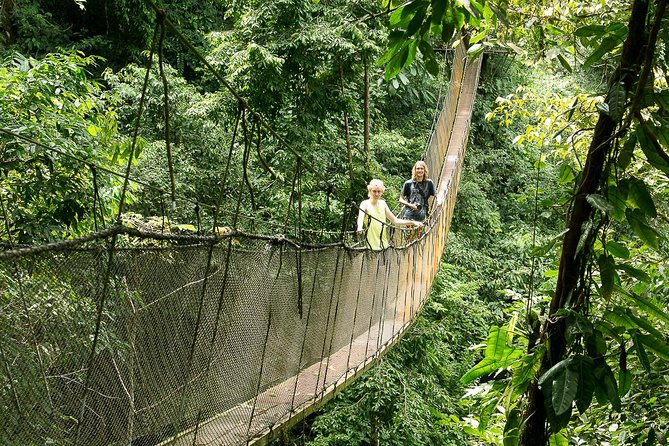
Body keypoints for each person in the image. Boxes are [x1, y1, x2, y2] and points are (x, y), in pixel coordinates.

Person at [357, 179, 421, 250]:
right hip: (370, 245)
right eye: (374, 191)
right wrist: (359, 227)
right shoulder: (365, 204)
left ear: (382, 192)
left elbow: (395, 220)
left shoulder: (383, 203)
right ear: (370, 191)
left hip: (382, 244)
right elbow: (360, 217)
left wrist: (412, 222)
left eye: (379, 191)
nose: (377, 194)